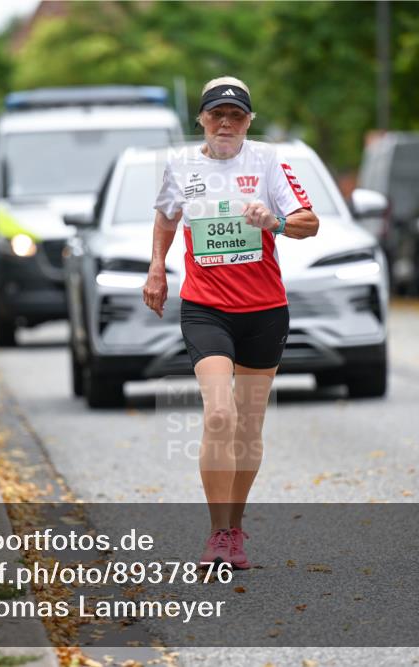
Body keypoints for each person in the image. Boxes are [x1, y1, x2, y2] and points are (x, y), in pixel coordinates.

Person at [143, 76, 319, 569]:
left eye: (236, 115)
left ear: (249, 122)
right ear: (200, 118)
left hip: (263, 311)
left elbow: (309, 221)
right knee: (219, 416)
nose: (226, 123)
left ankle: (235, 527)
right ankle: (218, 532)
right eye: (216, 114)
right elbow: (165, 217)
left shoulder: (267, 161)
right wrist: (157, 267)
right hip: (206, 307)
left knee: (249, 428)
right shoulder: (181, 165)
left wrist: (275, 222)